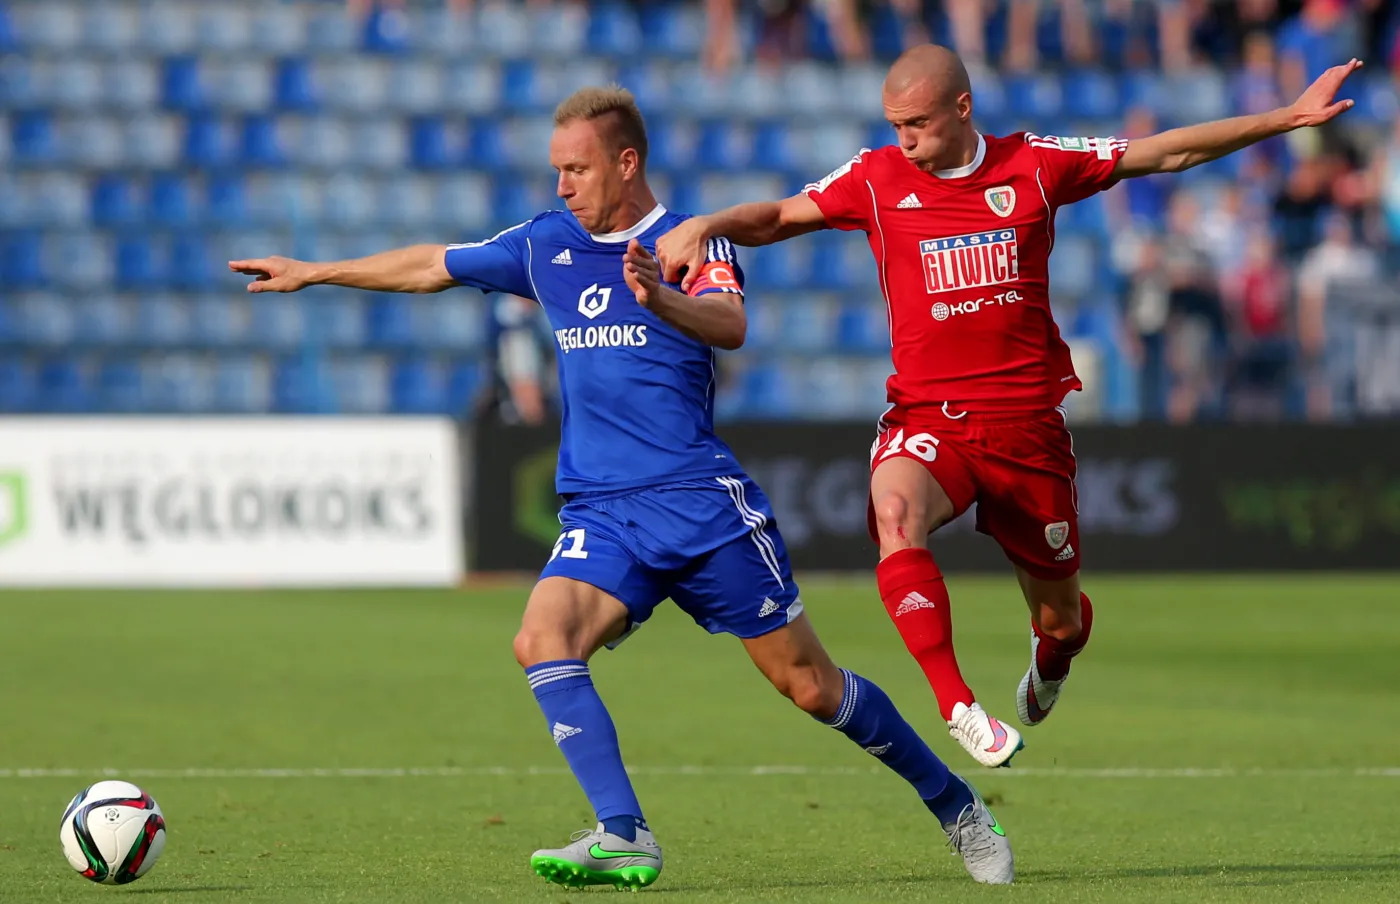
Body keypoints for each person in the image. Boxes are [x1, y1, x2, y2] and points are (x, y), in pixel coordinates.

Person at [229, 86, 1014, 888]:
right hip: (604, 512)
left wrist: (660, 296)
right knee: (542, 639)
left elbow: (731, 327)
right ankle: (624, 831)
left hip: (702, 506)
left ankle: (955, 805)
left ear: (626, 162)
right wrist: (315, 271)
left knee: (810, 686)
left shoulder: (689, 243)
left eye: (576, 169)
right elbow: (433, 264)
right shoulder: (545, 246)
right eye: (557, 170)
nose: (562, 186)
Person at [657, 45, 1362, 768]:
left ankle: (1051, 658)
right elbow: (777, 215)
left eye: (918, 124)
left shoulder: (1035, 164)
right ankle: (956, 705)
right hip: (929, 417)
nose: (905, 139)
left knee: (1062, 620)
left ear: (961, 108)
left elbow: (1164, 156)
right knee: (896, 516)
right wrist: (705, 224)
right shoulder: (875, 177)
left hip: (1027, 431)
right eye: (894, 124)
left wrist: (1288, 117)